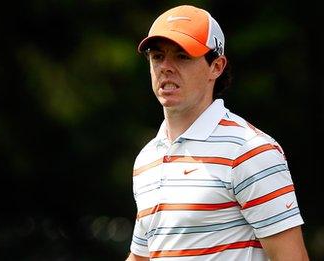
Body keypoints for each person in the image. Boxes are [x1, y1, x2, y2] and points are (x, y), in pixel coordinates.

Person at [126, 5, 309, 261]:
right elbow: (143, 256)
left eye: (182, 56)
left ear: (217, 66)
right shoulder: (147, 159)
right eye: (157, 57)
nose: (166, 67)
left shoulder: (250, 150)